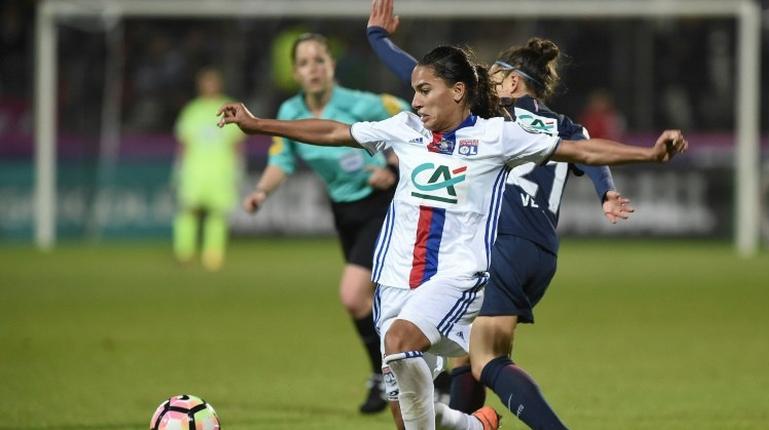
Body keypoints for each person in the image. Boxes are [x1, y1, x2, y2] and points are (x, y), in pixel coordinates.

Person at [216, 44, 687, 430]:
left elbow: (579, 147)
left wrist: (649, 155)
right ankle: (472, 426)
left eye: (424, 91)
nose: (415, 101)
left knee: (403, 343)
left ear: (459, 92)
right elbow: (335, 131)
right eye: (413, 92)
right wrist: (257, 123)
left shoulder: (496, 138)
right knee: (408, 410)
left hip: (457, 278)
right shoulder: (404, 130)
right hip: (395, 280)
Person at [366, 1, 634, 429]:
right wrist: (608, 193)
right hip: (541, 250)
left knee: (486, 357)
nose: (479, 85)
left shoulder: (494, 116)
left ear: (511, 82)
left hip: (498, 242)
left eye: (489, 78)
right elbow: (590, 155)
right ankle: (476, 422)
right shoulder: (566, 125)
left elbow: (418, 75)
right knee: (470, 351)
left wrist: (379, 39)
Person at [242, 32, 411, 414]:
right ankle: (403, 375)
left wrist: (391, 165)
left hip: (382, 205)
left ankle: (395, 377)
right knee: (373, 302)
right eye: (304, 63)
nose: (313, 68)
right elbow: (281, 159)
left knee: (354, 295)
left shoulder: (362, 103)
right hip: (345, 212)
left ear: (332, 65)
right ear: (295, 72)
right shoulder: (289, 113)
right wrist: (261, 193)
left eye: (320, 59)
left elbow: (414, 125)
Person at [173, 67, 245, 271]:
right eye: (206, 82)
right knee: (188, 211)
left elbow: (237, 143)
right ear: (200, 85)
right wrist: (178, 168)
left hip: (221, 172)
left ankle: (213, 254)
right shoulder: (192, 110)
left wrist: (239, 168)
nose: (210, 86)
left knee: (218, 214)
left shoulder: (230, 108)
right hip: (195, 171)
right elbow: (183, 143)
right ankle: (184, 252)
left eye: (213, 81)